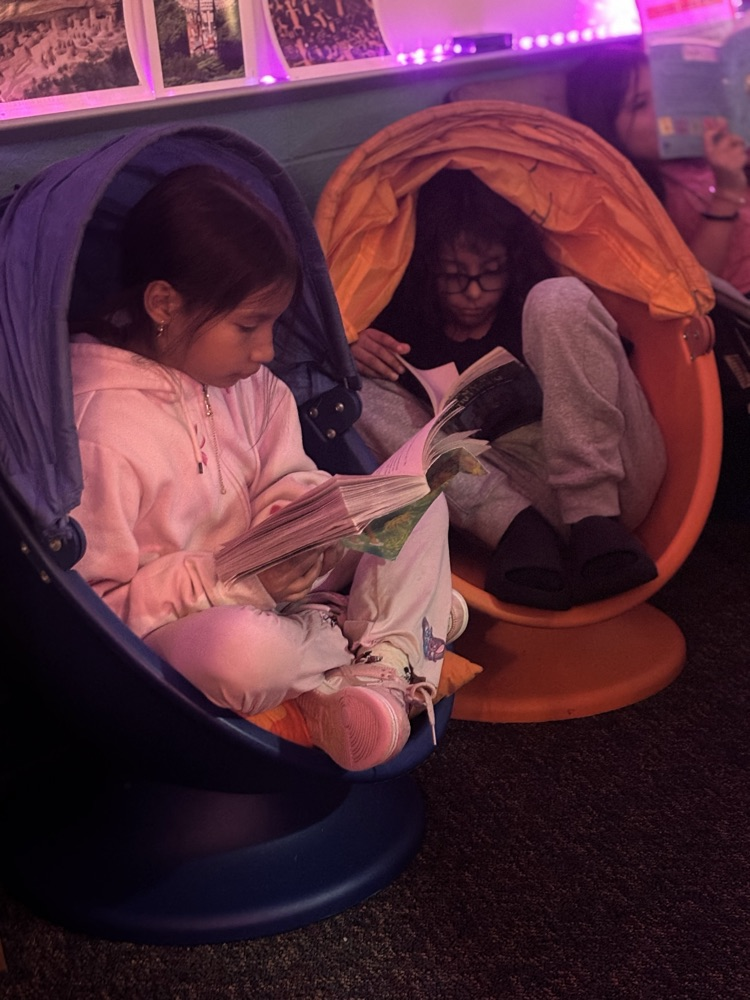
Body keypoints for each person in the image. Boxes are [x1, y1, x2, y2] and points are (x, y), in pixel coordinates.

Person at [69, 163, 465, 772]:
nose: (267, 351)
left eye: (275, 324)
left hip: (284, 583)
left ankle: (378, 664)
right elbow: (97, 611)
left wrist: (299, 519)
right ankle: (383, 638)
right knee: (243, 655)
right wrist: (232, 581)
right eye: (249, 325)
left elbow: (287, 479)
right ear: (164, 304)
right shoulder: (99, 424)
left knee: (420, 504)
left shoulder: (252, 385)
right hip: (187, 629)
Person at [352, 167, 666, 610]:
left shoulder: (530, 300)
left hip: (614, 478)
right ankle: (515, 529)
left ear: (511, 262)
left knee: (559, 297)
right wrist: (347, 343)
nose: (475, 292)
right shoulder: (404, 324)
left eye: (491, 272)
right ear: (426, 270)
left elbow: (616, 362)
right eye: (454, 275)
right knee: (349, 391)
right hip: (514, 506)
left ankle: (593, 518)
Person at [566, 43, 750, 515]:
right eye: (640, 104)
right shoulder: (640, 193)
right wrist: (727, 194)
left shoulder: (711, 155)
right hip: (731, 314)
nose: (664, 109)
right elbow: (695, 290)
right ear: (607, 124)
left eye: (665, 92)